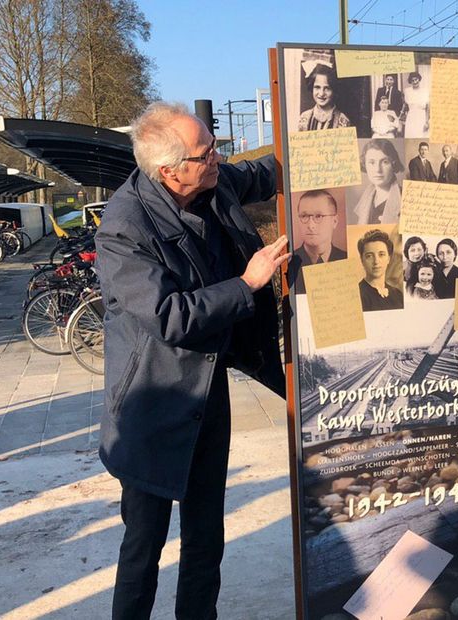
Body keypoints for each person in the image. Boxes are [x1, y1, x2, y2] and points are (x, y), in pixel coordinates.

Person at [94, 101, 290, 619]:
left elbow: (270, 171)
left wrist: (339, 137)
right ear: (169, 170)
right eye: (207, 153)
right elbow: (170, 316)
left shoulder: (213, 180)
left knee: (207, 534)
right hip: (152, 402)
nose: (219, 159)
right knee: (144, 545)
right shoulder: (123, 227)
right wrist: (248, 283)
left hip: (209, 392)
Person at [291, 189, 347, 293]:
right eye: (304, 216)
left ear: (334, 221)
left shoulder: (347, 260)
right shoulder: (289, 264)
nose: (311, 225)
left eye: (318, 216)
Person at [351, 139, 404, 225]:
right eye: (372, 162)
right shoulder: (366, 199)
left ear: (394, 164)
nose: (378, 170)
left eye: (385, 162)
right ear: (365, 165)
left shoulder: (405, 199)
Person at [357, 228, 403, 311]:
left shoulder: (398, 295)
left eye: (381, 254)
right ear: (362, 260)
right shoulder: (358, 295)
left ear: (389, 258)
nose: (376, 261)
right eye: (369, 256)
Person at [296, 64, 351, 131]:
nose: (321, 94)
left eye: (327, 88)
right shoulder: (304, 118)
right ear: (312, 88)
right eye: (317, 87)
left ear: (334, 90)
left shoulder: (343, 121)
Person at [402, 71, 429, 139]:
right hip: (411, 118)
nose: (415, 82)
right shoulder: (407, 91)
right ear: (410, 82)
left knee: (422, 136)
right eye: (412, 80)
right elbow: (405, 106)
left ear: (419, 79)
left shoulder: (425, 91)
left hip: (421, 117)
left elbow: (427, 108)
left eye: (416, 79)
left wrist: (427, 122)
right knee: (411, 136)